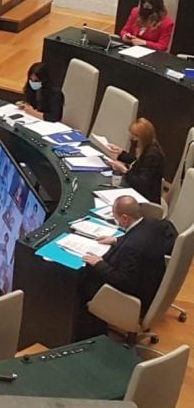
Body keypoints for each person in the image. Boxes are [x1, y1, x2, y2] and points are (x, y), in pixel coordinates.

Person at [81, 195, 168, 323]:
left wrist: (99, 264)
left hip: (135, 299)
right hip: (153, 284)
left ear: (124, 218)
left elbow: (124, 281)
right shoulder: (153, 224)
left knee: (81, 281)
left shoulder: (131, 247)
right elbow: (137, 238)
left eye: (116, 218)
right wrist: (116, 240)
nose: (116, 221)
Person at [102, 118, 167, 203]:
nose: (132, 139)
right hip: (138, 192)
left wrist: (124, 170)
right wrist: (121, 152)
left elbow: (141, 184)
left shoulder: (153, 156)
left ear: (142, 137)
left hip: (145, 200)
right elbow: (139, 162)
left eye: (135, 136)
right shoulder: (149, 145)